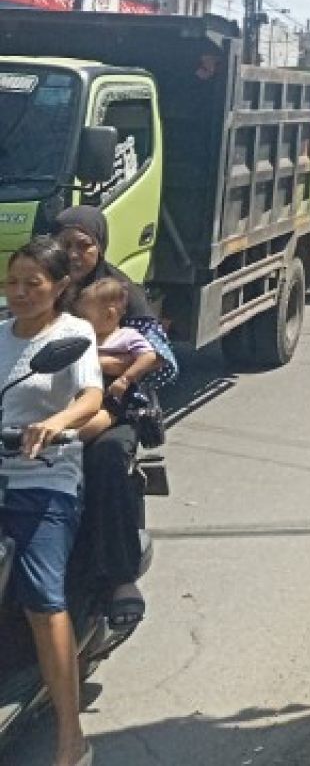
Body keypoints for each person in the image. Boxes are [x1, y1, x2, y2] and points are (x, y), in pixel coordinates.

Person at [1, 237, 103, 766]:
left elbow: (91, 396)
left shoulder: (73, 334)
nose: (19, 292)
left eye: (32, 283)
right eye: (12, 282)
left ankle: (71, 735)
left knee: (42, 600)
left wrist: (54, 423)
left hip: (43, 479)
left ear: (60, 286)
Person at [51, 206, 173, 631]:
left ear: (99, 246)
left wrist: (103, 365)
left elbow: (162, 361)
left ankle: (121, 578)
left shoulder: (121, 292)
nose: (73, 254)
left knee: (104, 458)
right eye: (64, 244)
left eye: (82, 245)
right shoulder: (44, 285)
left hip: (116, 408)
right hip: (48, 402)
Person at [73, 280, 161, 444]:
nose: (80, 322)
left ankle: (73, 440)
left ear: (110, 315)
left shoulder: (127, 336)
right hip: (84, 391)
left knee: (97, 422)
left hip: (113, 395)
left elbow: (149, 356)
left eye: (85, 317)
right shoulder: (85, 337)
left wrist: (125, 379)